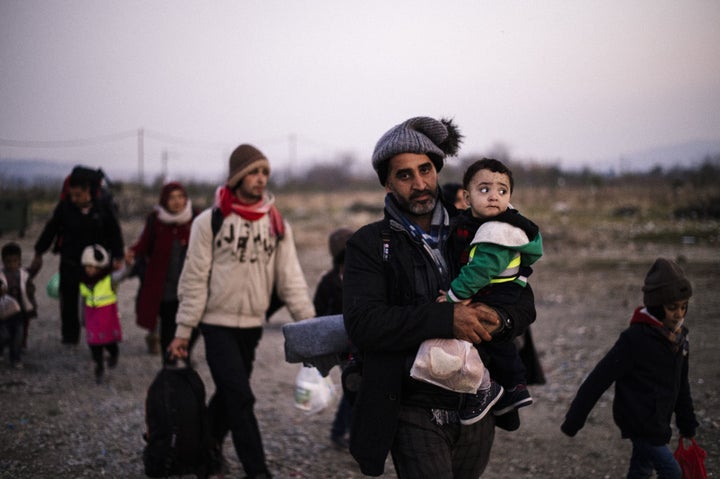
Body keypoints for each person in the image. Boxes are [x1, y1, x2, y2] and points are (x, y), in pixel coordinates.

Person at [342, 116, 537, 478]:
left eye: (426, 170)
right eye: (405, 175)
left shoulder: (480, 230)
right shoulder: (369, 244)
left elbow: (522, 298)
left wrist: (503, 320)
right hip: (412, 404)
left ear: (438, 170)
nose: (419, 184)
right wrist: (448, 318)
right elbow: (364, 323)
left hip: (478, 405)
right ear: (387, 183)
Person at [168, 144, 316, 479]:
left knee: (228, 395)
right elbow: (193, 278)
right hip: (215, 323)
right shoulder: (209, 221)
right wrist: (183, 330)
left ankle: (203, 449)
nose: (261, 179)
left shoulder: (277, 224)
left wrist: (311, 327)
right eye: (253, 172)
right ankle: (257, 471)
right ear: (237, 177)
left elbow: (290, 278)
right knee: (241, 397)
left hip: (252, 325)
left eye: (265, 172)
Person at [561, 258, 699, 479]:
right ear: (656, 305)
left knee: (641, 470)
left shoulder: (679, 340)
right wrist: (574, 420)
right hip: (639, 423)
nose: (679, 314)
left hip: (659, 421)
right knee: (672, 472)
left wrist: (687, 423)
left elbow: (681, 385)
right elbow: (598, 379)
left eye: (684, 307)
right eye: (672, 308)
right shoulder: (635, 339)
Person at [437, 158, 543, 424]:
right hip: (497, 289)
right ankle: (507, 394)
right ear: (467, 196)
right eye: (484, 190)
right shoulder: (471, 223)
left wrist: (452, 297)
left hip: (498, 292)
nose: (494, 197)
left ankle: (511, 389)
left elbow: (478, 272)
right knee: (487, 340)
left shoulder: (499, 231)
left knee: (485, 335)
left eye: (502, 191)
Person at [31, 166, 124, 345]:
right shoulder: (65, 207)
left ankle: (97, 335)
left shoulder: (103, 207)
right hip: (70, 260)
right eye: (71, 195)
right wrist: (38, 252)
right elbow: (51, 229)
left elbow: (114, 232)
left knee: (96, 301)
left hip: (96, 264)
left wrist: (118, 256)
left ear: (88, 191)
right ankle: (70, 338)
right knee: (68, 301)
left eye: (78, 195)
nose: (74, 199)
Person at [125, 181, 200, 362]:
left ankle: (185, 353)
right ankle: (170, 364)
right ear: (164, 200)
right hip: (165, 285)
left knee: (195, 325)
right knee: (168, 326)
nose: (176, 201)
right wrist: (132, 252)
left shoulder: (196, 219)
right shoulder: (155, 220)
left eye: (180, 197)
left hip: (191, 284)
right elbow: (144, 243)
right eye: (172, 198)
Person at [313, 226, 355, 451]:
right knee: (354, 386)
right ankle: (340, 432)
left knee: (357, 387)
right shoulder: (329, 282)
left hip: (361, 342)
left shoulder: (365, 276)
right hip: (341, 345)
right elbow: (318, 312)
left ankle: (344, 431)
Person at [79, 244, 127, 384]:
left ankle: (113, 354)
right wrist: (82, 318)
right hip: (92, 316)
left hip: (107, 317)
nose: (89, 270)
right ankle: (99, 366)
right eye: (87, 266)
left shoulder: (109, 278)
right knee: (94, 344)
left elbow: (122, 275)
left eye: (93, 267)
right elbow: (82, 300)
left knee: (109, 341)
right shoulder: (84, 281)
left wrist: (128, 265)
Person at [1, 242, 37, 356]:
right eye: (8, 262)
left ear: (19, 261)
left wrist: (30, 297)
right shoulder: (1, 275)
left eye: (15, 261)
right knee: (4, 333)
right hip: (4, 310)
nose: (12, 265)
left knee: (19, 332)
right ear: (3, 261)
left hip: (21, 310)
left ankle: (16, 355)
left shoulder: (24, 275)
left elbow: (30, 289)